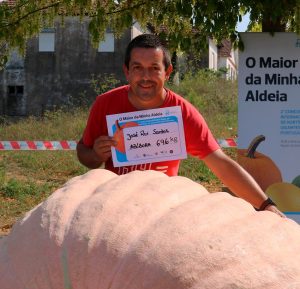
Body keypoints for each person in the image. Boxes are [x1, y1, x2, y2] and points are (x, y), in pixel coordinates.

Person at [77, 33, 285, 218]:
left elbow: (221, 164)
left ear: (167, 72)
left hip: (162, 211)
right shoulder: (105, 104)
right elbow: (84, 154)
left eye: (154, 69)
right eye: (138, 68)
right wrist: (96, 155)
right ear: (127, 71)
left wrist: (266, 204)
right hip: (116, 209)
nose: (146, 77)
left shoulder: (183, 112)